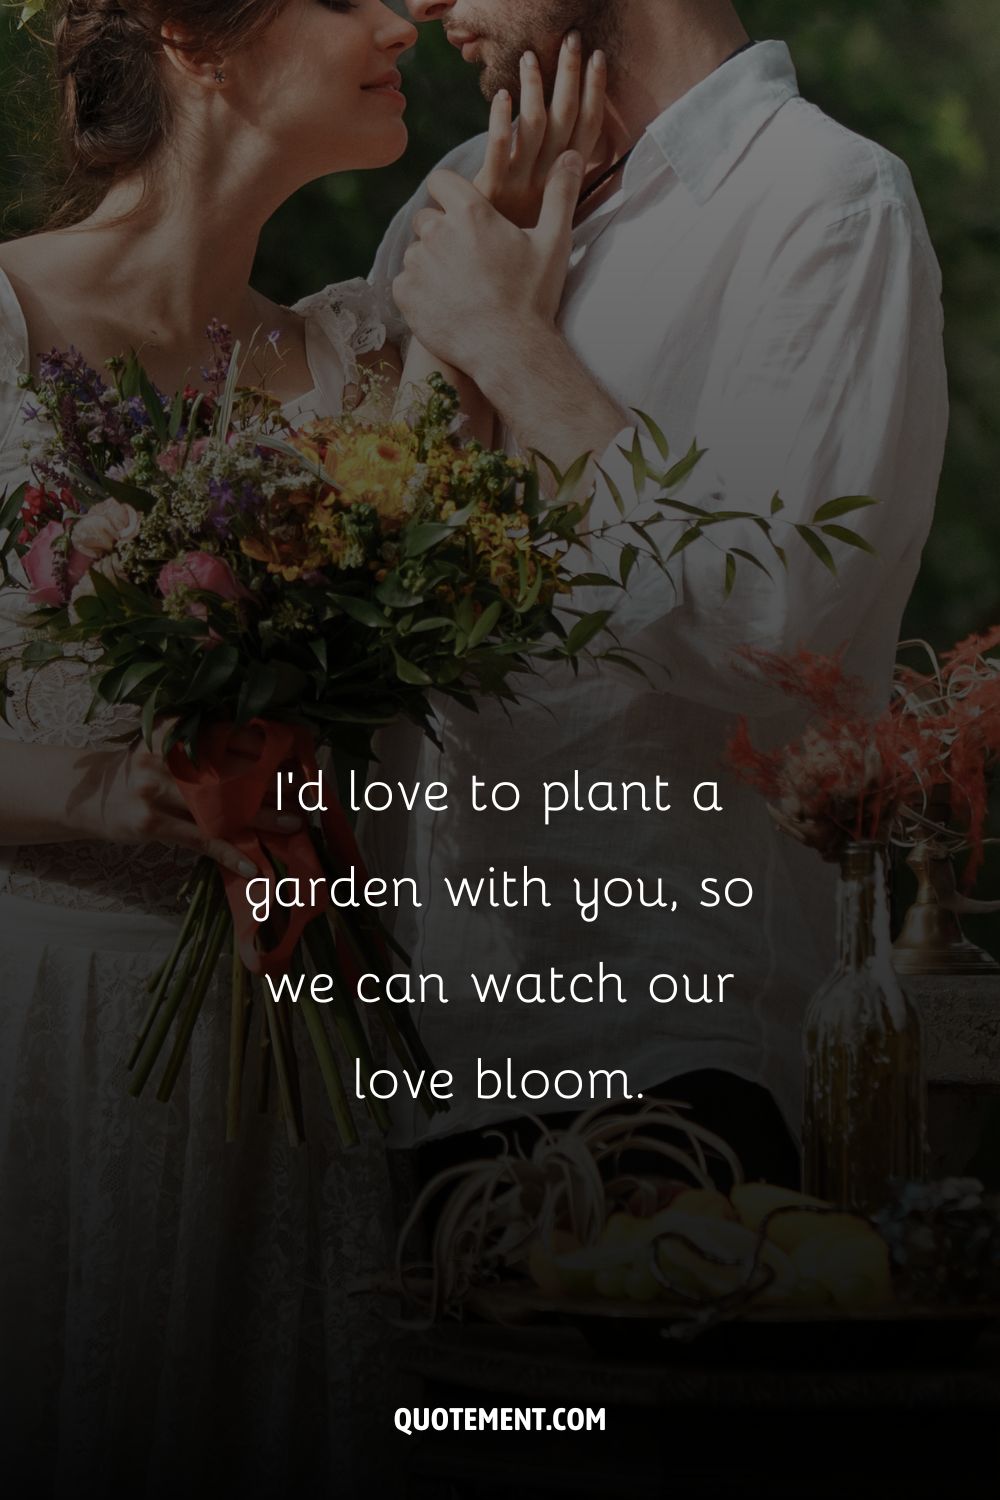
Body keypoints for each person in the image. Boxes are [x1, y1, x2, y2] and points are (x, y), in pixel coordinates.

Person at [0, 0, 584, 1490]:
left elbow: (458, 637)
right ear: (196, 37)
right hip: (43, 1055)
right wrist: (140, 792)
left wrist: (503, 300)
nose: (401, 17)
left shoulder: (362, 357)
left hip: (300, 1077)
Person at [363, 0, 950, 1174]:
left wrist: (519, 348)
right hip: (420, 1052)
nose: (421, 5)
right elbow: (379, 597)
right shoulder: (469, 192)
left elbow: (783, 635)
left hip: (673, 1061)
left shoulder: (828, 206)